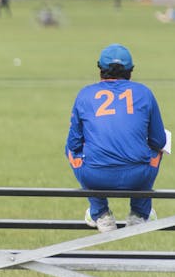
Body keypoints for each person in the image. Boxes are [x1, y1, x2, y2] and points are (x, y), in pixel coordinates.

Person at [66, 44, 167, 233]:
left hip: (95, 177)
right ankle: (139, 212)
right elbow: (159, 141)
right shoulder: (144, 92)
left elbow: (74, 144)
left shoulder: (85, 94)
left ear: (100, 70)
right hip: (138, 177)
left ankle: (100, 213)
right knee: (158, 149)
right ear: (130, 71)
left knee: (70, 149)